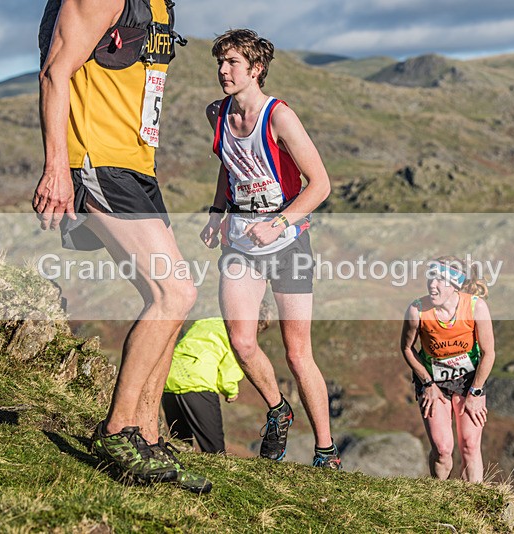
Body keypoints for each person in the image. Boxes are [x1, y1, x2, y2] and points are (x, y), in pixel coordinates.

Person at [33, 0, 210, 493]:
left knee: (171, 302)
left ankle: (148, 439)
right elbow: (54, 73)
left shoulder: (161, 5)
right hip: (97, 160)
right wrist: (56, 169)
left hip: (137, 167)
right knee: (174, 293)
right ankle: (116, 431)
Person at [199, 29, 341, 470]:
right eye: (220, 62)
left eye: (232, 63)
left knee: (298, 353)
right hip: (240, 241)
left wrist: (278, 222)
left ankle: (325, 451)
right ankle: (278, 410)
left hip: (287, 241)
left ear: (256, 69)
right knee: (241, 341)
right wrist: (216, 212)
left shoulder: (279, 117)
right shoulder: (216, 113)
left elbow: (321, 185)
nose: (223, 71)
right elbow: (230, 166)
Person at [400, 256, 496, 483]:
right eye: (430, 278)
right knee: (443, 449)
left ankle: (475, 500)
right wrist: (427, 384)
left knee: (470, 445)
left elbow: (488, 353)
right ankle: (439, 494)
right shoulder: (417, 310)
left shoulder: (475, 307)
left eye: (440, 280)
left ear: (455, 284)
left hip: (469, 381)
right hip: (433, 382)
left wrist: (476, 392)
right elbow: (407, 348)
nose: (432, 285)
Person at [162, 317, 245, 454]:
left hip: (169, 379)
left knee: (180, 445)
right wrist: (231, 391)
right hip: (197, 384)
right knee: (215, 450)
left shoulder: (205, 323)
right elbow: (229, 370)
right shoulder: (237, 332)